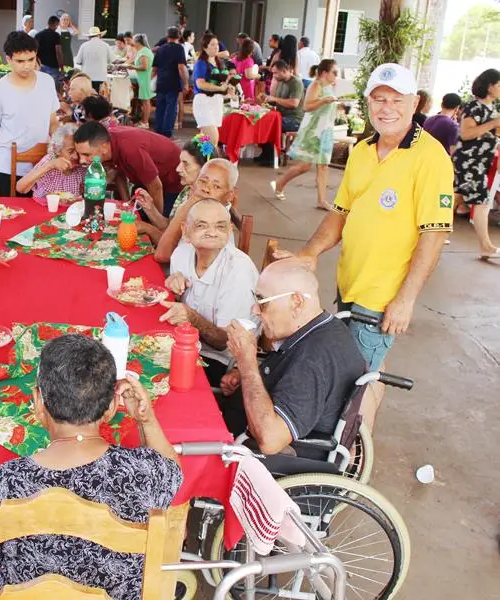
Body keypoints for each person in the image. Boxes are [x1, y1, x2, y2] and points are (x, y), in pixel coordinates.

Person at [279, 63, 454, 432]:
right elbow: (340, 214)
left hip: (382, 294)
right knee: (369, 368)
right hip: (351, 284)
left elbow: (433, 234)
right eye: (379, 100)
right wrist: (309, 253)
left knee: (353, 380)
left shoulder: (431, 157)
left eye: (396, 100)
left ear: (415, 102)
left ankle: (351, 449)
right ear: (368, 103)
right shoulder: (362, 150)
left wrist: (405, 299)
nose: (386, 108)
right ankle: (361, 440)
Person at [0, 334, 182, 599]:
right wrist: (146, 420)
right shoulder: (142, 471)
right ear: (111, 407)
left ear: (38, 403)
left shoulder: (8, 479)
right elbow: (172, 473)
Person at [219, 259, 366, 451]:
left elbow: (270, 441)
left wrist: (247, 364)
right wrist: (248, 377)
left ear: (296, 302)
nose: (254, 309)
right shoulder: (326, 327)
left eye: (262, 303)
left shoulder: (313, 360)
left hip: (248, 453)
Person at [159, 199, 258, 386]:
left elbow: (224, 342)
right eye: (201, 225)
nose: (212, 232)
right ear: (185, 232)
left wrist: (191, 317)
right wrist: (173, 287)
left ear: (229, 231)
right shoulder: (181, 254)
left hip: (217, 359)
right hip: (182, 340)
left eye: (220, 227)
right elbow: (178, 302)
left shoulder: (238, 271)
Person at [0, 31, 60, 197]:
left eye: (31, 59)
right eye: (20, 61)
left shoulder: (47, 82)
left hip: (42, 163)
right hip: (7, 166)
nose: (27, 66)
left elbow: (53, 123)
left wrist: (62, 148)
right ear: (9, 59)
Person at [271, 59, 339, 209]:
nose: (336, 75)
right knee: (304, 166)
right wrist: (323, 101)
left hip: (325, 131)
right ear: (324, 73)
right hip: (313, 131)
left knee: (323, 166)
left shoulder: (329, 87)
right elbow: (307, 107)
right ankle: (280, 183)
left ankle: (321, 200)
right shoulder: (316, 85)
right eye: (334, 72)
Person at [73, 121, 182, 215]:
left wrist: (156, 219)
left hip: (171, 180)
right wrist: (127, 205)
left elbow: (156, 186)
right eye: (79, 154)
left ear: (104, 147)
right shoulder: (107, 144)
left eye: (86, 154)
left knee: (159, 224)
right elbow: (119, 173)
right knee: (135, 214)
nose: (81, 160)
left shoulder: (131, 151)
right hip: (145, 179)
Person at [451, 69, 500, 258]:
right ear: (490, 86)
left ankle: (486, 246)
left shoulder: (490, 108)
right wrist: (493, 124)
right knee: (479, 202)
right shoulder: (474, 107)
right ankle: (486, 246)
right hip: (469, 163)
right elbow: (466, 133)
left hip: (478, 164)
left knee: (464, 200)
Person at [154, 158, 240, 263]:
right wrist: (191, 201)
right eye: (203, 181)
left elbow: (162, 255)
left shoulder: (215, 228)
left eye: (216, 186)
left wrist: (191, 202)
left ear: (230, 195)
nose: (206, 189)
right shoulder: (194, 208)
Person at [135, 135, 217, 241]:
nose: (178, 169)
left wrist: (148, 229)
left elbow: (175, 247)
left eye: (185, 164)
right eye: (180, 162)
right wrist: (150, 208)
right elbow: (169, 226)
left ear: (204, 168)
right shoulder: (187, 191)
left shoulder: (205, 205)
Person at [16, 122, 85, 197]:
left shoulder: (82, 163)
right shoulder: (50, 160)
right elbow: (20, 188)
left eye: (78, 152)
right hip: (44, 207)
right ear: (57, 149)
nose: (76, 157)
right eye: (70, 151)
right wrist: (50, 165)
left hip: (71, 208)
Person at [192, 32, 230, 147]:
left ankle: (199, 159)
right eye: (212, 44)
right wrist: (219, 87)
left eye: (217, 44)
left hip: (216, 102)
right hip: (203, 101)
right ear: (205, 47)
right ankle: (209, 162)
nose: (216, 47)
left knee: (204, 138)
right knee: (213, 138)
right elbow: (200, 84)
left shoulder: (219, 62)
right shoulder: (201, 63)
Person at [152, 27, 189, 138]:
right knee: (171, 108)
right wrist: (186, 82)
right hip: (173, 82)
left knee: (160, 107)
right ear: (179, 37)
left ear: (167, 36)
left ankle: (158, 130)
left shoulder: (160, 49)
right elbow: (181, 67)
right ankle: (167, 132)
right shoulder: (179, 48)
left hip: (161, 81)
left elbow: (154, 68)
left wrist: (151, 81)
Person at [260, 60, 304, 133]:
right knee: (262, 120)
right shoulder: (281, 81)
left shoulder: (296, 82)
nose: (273, 75)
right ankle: (265, 144)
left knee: (268, 125)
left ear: (284, 71)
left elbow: (294, 104)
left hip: (294, 119)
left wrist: (274, 99)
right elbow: (277, 101)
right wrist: (266, 98)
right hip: (281, 116)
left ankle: (271, 144)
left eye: (275, 73)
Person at [75, 26, 114, 92]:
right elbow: (112, 60)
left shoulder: (84, 45)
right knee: (99, 97)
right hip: (101, 77)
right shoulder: (106, 45)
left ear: (89, 37)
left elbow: (78, 61)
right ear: (100, 35)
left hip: (87, 77)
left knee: (88, 96)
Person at [130, 34, 154, 128]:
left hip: (146, 79)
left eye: (133, 41)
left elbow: (144, 67)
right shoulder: (142, 51)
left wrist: (131, 67)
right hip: (143, 78)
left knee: (146, 101)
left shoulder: (144, 52)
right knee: (144, 101)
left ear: (137, 42)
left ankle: (145, 122)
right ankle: (144, 121)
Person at [36, 16, 64, 85]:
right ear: (55, 24)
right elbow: (58, 52)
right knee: (53, 89)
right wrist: (62, 68)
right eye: (57, 25)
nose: (57, 27)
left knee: (41, 87)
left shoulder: (38, 35)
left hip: (40, 66)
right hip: (53, 66)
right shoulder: (56, 35)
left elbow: (34, 51)